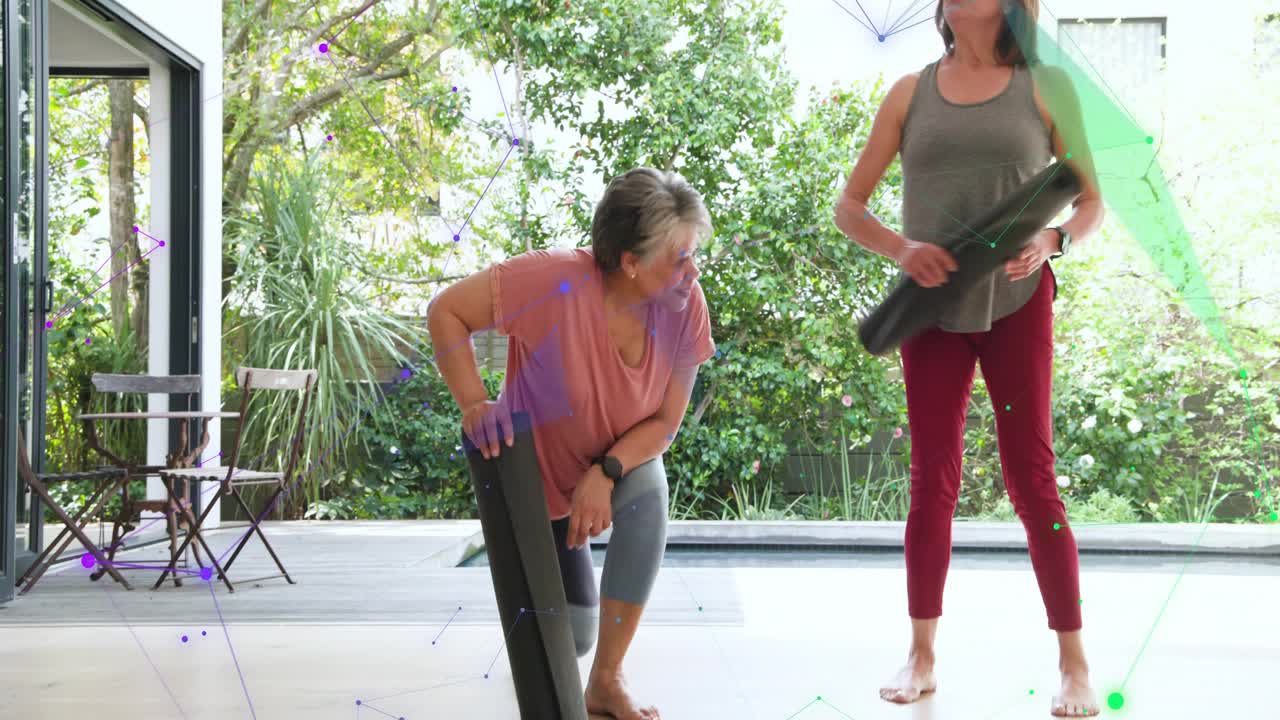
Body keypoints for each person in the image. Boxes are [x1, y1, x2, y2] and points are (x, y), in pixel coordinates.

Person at [833, 0, 1105, 717]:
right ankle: (921, 654)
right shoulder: (909, 93)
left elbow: (1090, 200)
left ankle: (1074, 664)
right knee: (933, 480)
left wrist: (1054, 242)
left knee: (1032, 479)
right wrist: (901, 248)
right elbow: (850, 206)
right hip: (932, 313)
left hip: (1018, 307)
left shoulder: (1047, 87)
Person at [427, 167, 715, 720]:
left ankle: (607, 681)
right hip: (532, 483)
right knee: (573, 638)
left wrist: (605, 473)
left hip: (610, 466)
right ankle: (579, 637)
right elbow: (447, 311)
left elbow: (665, 425)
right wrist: (473, 402)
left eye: (694, 254)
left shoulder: (685, 307)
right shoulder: (554, 281)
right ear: (630, 263)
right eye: (678, 257)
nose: (691, 271)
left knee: (650, 491)